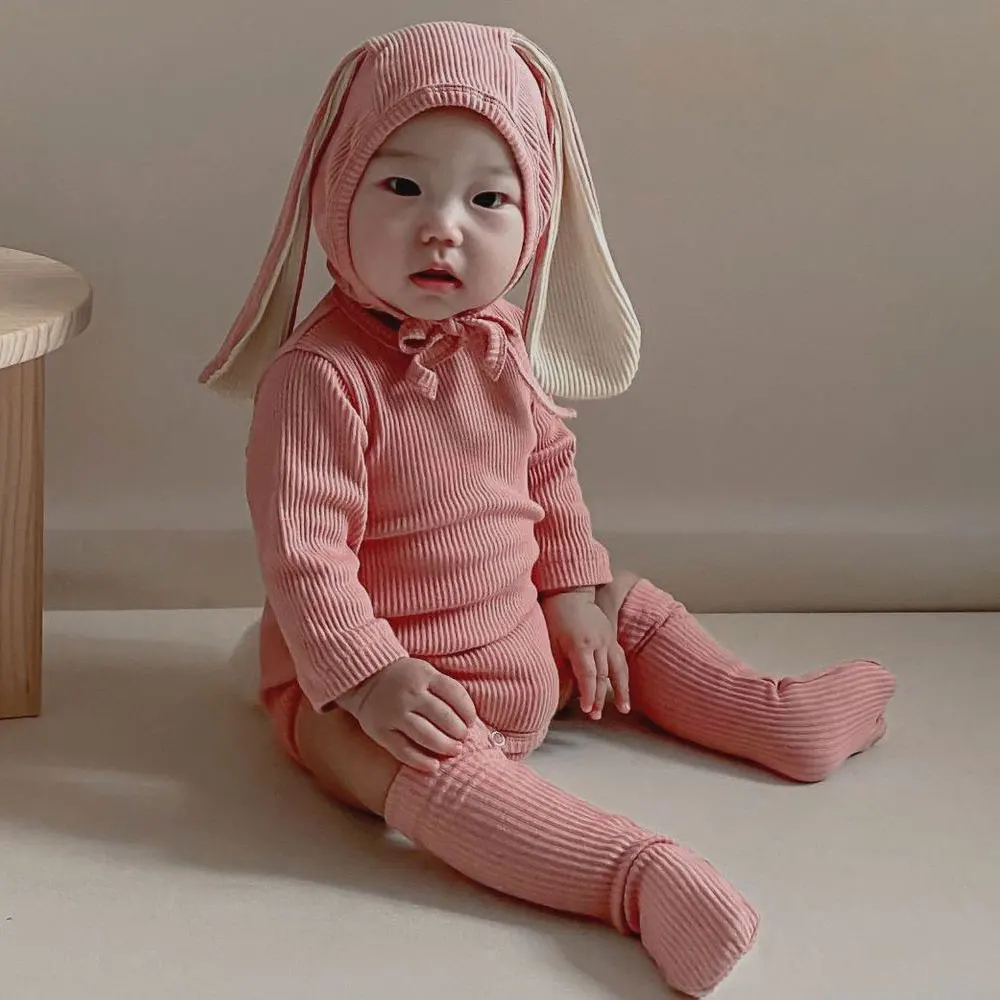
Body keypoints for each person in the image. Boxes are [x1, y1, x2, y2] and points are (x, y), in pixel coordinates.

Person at [199, 20, 896, 997]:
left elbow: (548, 469)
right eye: (400, 186)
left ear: (536, 220)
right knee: (391, 759)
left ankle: (771, 715)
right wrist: (369, 677)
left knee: (619, 603)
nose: (443, 227)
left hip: (520, 634)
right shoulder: (320, 376)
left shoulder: (504, 340)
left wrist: (570, 595)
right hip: (391, 687)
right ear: (334, 189)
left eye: (488, 198)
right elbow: (304, 556)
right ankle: (631, 878)